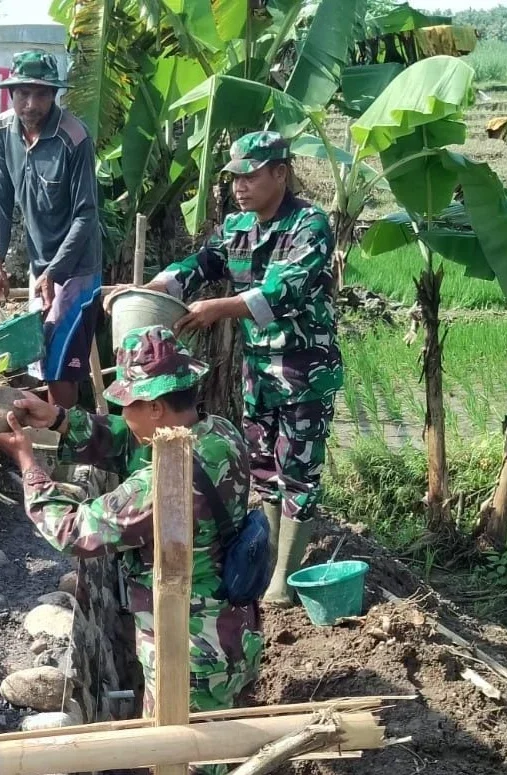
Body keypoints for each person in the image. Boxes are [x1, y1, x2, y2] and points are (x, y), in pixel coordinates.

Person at [0, 325, 264, 723]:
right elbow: (130, 442)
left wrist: (28, 463)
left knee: (182, 760)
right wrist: (60, 419)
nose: (122, 414)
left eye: (128, 404)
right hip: (230, 632)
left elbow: (72, 531)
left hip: (190, 655)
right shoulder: (218, 433)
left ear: (155, 408)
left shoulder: (164, 485)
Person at [118, 131, 343, 606]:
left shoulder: (309, 225)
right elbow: (202, 262)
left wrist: (219, 308)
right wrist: (157, 287)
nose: (240, 185)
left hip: (305, 370)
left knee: (297, 469)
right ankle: (265, 561)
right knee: (262, 466)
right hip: (258, 369)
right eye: (235, 176)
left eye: (251, 175)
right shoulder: (237, 226)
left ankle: (285, 574)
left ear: (280, 174)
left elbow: (286, 290)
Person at [0, 49, 103, 409]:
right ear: (11, 93)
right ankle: (54, 440)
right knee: (40, 357)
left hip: (77, 267)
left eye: (41, 94)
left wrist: (56, 270)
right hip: (41, 267)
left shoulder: (74, 137)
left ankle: (70, 447)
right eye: (23, 94)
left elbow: (86, 215)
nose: (31, 104)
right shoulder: (2, 131)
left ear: (54, 95)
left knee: (60, 364)